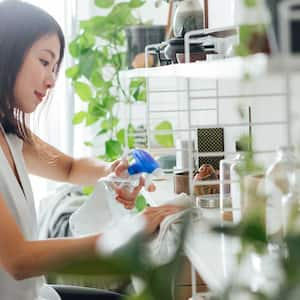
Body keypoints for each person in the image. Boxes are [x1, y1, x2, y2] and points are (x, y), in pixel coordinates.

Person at [0, 1, 182, 299]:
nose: (51, 80)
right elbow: (18, 261)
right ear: (6, 52)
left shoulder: (10, 135)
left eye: (55, 68)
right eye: (44, 62)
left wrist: (114, 169)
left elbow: (69, 168)